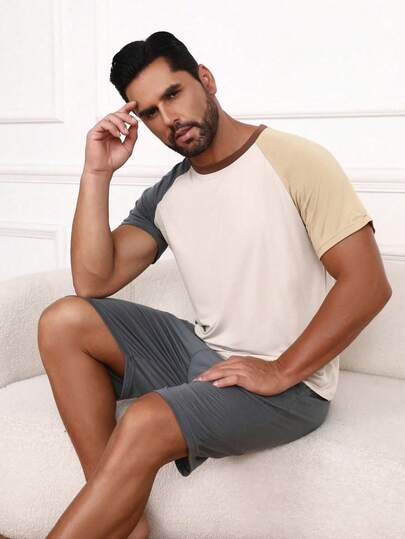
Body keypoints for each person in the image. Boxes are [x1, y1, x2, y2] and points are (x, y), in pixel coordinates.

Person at [39, 31, 392, 538]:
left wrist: (281, 369)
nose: (169, 118)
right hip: (205, 353)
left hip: (293, 387)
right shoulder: (168, 193)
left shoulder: (295, 159)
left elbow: (368, 283)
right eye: (150, 112)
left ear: (205, 79)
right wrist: (97, 173)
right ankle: (125, 522)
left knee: (145, 419)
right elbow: (93, 281)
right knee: (63, 320)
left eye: (174, 93)